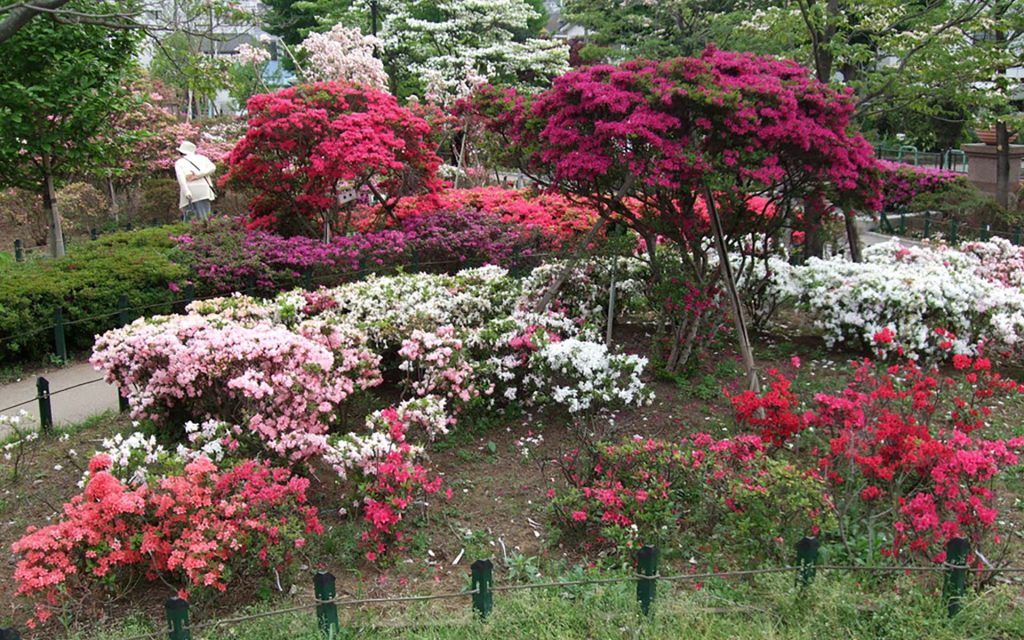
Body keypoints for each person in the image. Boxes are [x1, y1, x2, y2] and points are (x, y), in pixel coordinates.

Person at [174, 141, 217, 221]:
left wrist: (186, 191)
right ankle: (205, 231)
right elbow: (213, 168)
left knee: (190, 217)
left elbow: (181, 178)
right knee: (205, 216)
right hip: (204, 191)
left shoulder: (179, 162)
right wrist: (199, 174)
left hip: (190, 190)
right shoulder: (202, 158)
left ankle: (192, 232)